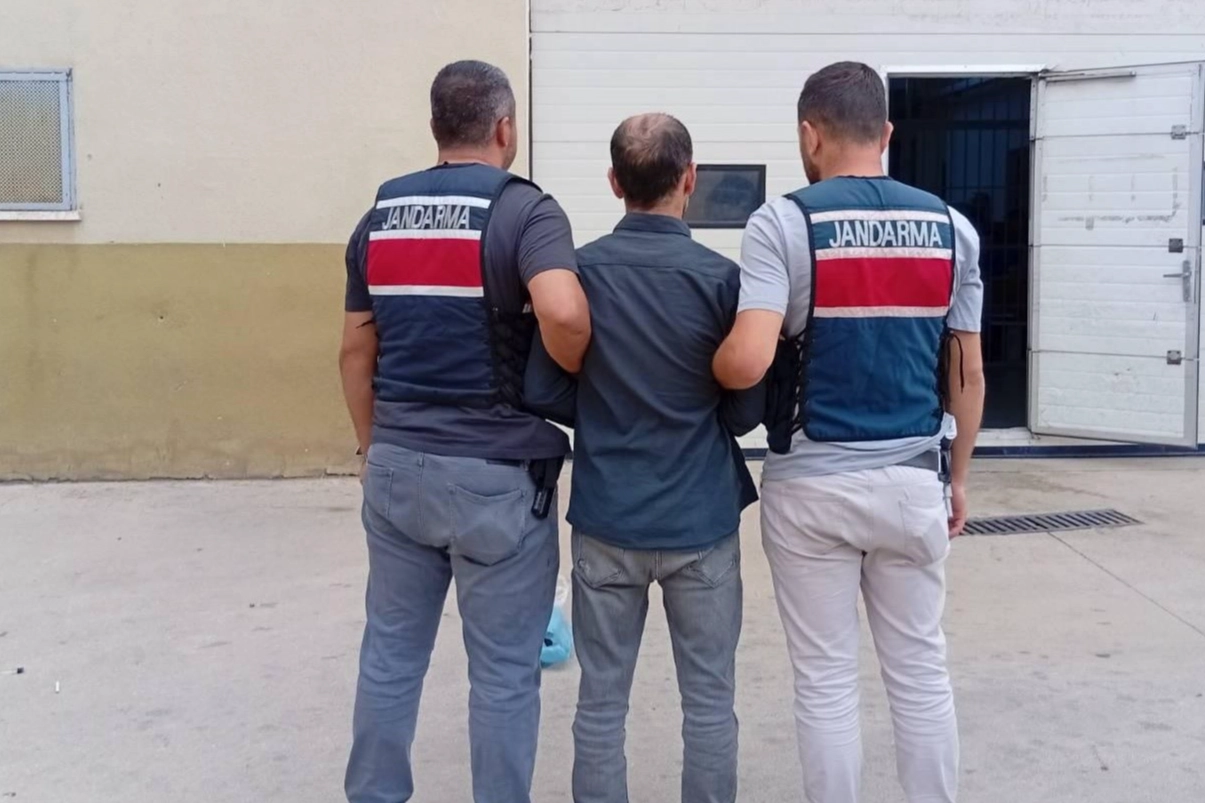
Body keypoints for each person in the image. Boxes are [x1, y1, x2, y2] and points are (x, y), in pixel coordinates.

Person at [712, 62, 986, 803]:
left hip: (811, 488)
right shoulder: (952, 230)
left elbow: (749, 360)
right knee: (921, 672)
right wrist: (958, 478)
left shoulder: (782, 223)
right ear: (886, 133)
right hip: (913, 480)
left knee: (825, 681)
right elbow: (967, 374)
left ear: (810, 134)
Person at [338, 59, 590, 803]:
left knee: (390, 656)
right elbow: (564, 311)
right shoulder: (524, 212)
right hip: (496, 481)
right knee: (504, 674)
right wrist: (569, 368)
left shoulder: (380, 215)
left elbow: (354, 351)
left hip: (395, 466)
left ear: (434, 128)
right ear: (504, 127)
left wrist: (370, 446)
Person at [525, 113, 762, 803]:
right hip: (701, 521)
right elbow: (746, 408)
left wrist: (603, 412)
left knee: (600, 703)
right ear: (689, 180)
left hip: (607, 519)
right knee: (710, 702)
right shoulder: (723, 281)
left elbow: (542, 386)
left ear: (612, 182)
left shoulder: (576, 276)